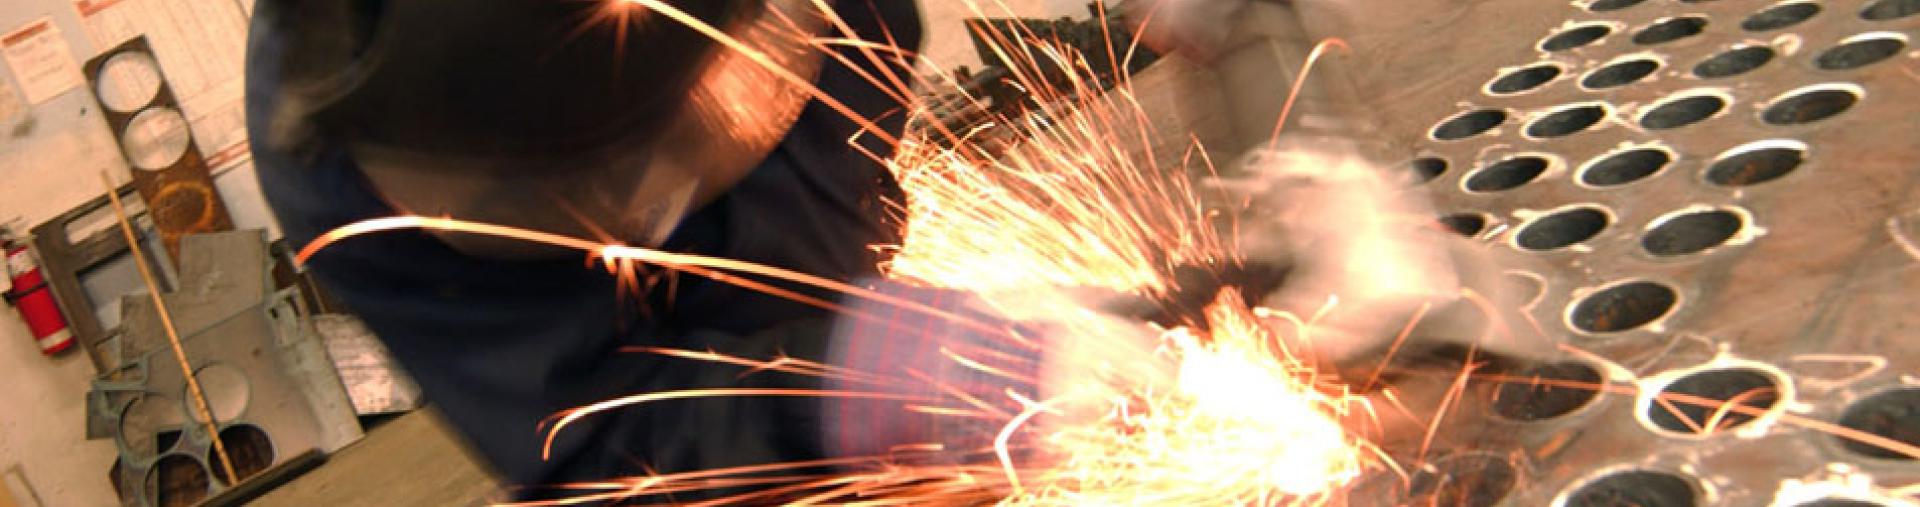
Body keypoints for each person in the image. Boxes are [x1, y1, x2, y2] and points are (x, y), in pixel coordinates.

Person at [248, 0, 930, 495]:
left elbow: (852, 123)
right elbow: (588, 439)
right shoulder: (341, 175)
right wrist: (828, 395)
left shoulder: (822, 32)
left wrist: (869, 360)